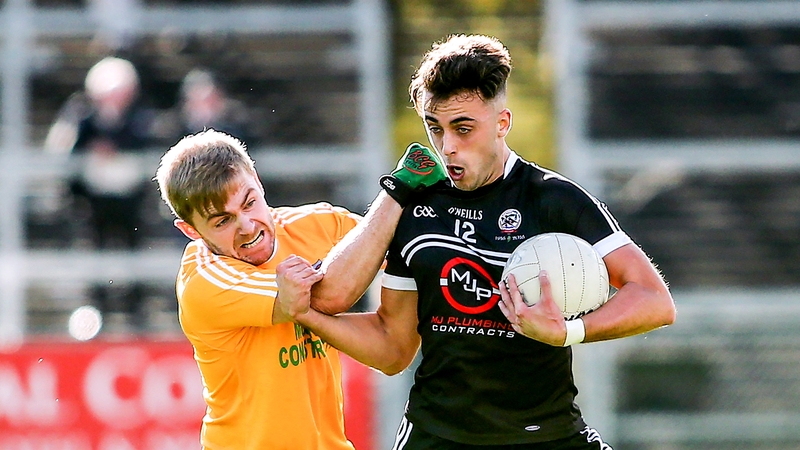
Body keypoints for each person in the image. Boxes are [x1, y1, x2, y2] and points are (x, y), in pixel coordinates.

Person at [288, 34, 677, 449]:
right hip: (437, 437)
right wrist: (393, 194)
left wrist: (568, 331)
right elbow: (391, 346)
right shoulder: (414, 207)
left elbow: (655, 300)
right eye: (434, 128)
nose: (448, 147)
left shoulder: (554, 200)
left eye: (463, 128)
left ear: (502, 123)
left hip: (547, 436)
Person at [154, 129, 446, 449]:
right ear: (190, 230)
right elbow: (313, 297)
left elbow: (394, 348)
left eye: (249, 203)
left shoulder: (319, 224)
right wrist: (397, 192)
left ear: (258, 180)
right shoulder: (203, 281)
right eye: (223, 221)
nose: (247, 227)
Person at [44, 55, 158, 330]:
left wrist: (117, 152)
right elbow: (67, 153)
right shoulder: (81, 116)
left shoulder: (140, 118)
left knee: (133, 254)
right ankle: (97, 312)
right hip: (94, 201)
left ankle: (135, 313)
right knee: (95, 255)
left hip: (130, 201)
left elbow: (147, 150)